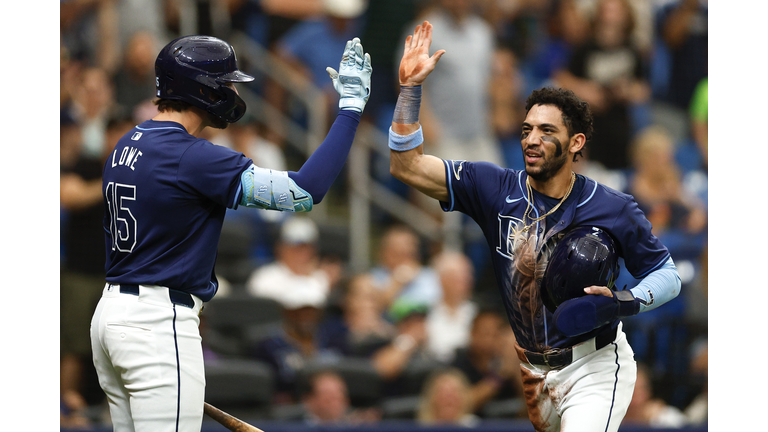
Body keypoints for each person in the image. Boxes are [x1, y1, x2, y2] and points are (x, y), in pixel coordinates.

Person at [388, 22, 681, 432]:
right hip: (531, 371)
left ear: (576, 142)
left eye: (546, 131)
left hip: (594, 365)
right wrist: (410, 91)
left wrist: (623, 301)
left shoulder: (613, 207)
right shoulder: (494, 188)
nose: (531, 139)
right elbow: (406, 166)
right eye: (527, 130)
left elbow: (668, 275)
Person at [90, 34, 372, 431]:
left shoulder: (126, 143)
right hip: (156, 323)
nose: (233, 92)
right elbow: (305, 191)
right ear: (200, 88)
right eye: (226, 83)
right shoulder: (191, 155)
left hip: (112, 317)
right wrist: (349, 112)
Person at [425, 251, 478, 363]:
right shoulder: (425, 313)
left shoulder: (479, 312)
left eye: (467, 275)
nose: (466, 280)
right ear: (441, 279)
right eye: (456, 277)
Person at [300, 369, 381, 425]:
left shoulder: (356, 426)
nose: (336, 401)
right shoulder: (295, 427)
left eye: (340, 394)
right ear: (310, 400)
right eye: (328, 395)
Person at [416, 368, 480, 426]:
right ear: (431, 398)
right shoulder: (417, 428)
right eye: (442, 392)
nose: (449, 399)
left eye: (454, 392)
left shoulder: (475, 427)